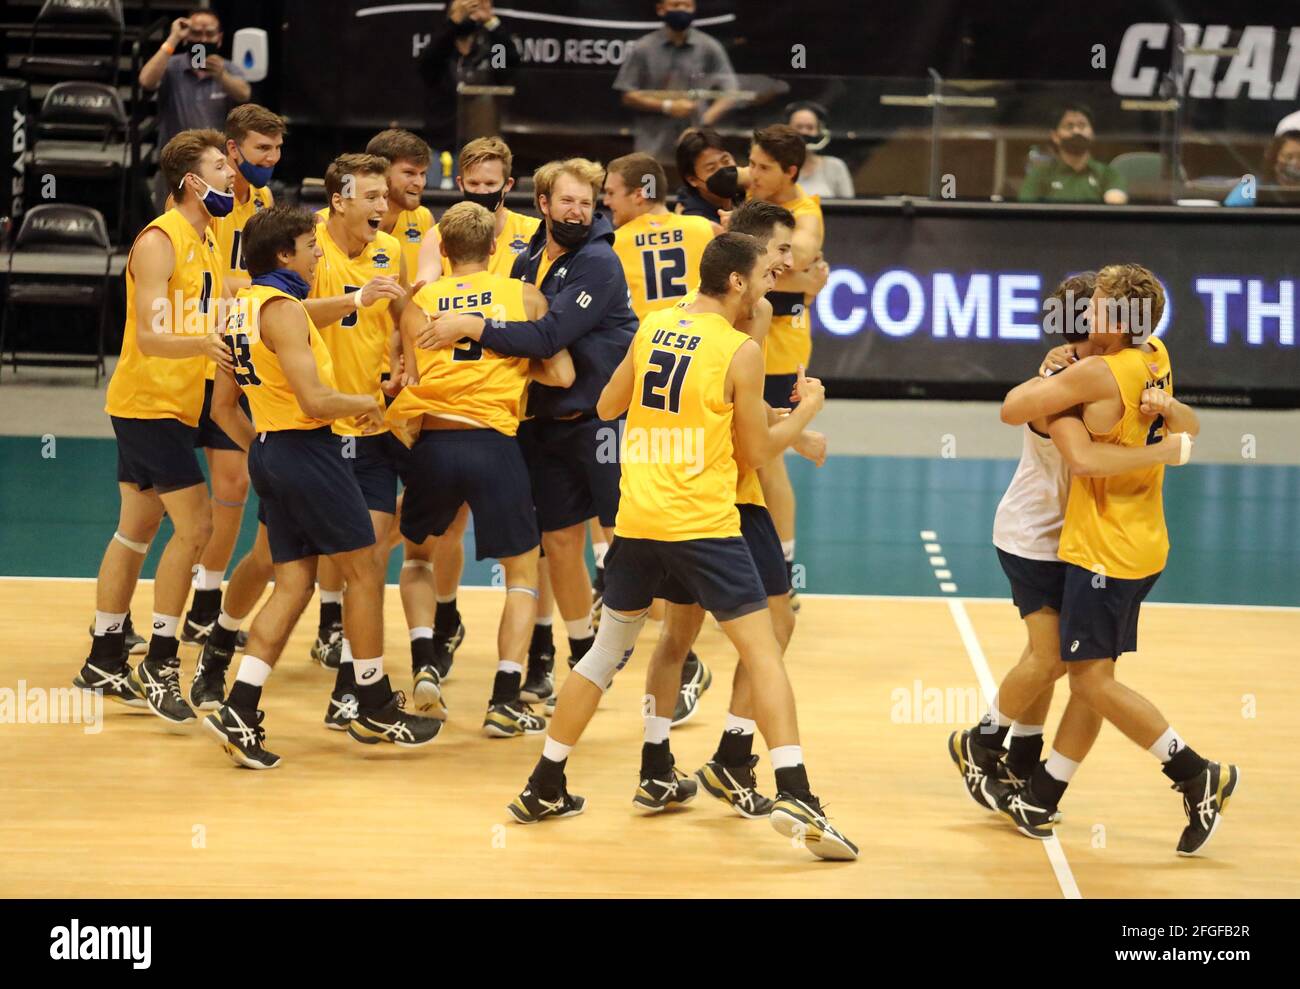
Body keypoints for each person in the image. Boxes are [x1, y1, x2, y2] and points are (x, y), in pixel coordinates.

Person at [504, 233, 856, 861]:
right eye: (762, 277)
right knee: (766, 650)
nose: (769, 286)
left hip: (637, 520)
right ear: (737, 284)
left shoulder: (656, 324)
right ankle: (796, 791)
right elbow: (753, 454)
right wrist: (808, 414)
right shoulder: (738, 350)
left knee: (603, 657)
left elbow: (610, 403)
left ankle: (544, 783)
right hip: (701, 523)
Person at [994, 264, 1238, 856]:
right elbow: (1186, 424)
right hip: (1142, 538)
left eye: (1098, 304)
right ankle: (1044, 793)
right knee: (1090, 680)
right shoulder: (1154, 353)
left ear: (1116, 318)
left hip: (1107, 548)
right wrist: (1171, 441)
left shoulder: (1103, 372)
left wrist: (1061, 371)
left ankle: (1195, 771)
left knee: (1093, 683)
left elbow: (1016, 410)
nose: (1087, 311)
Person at [203, 206, 441, 767]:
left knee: (294, 586)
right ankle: (374, 701)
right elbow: (314, 402)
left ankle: (239, 705)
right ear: (283, 255)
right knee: (363, 570)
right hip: (307, 451)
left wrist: (268, 454)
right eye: (309, 247)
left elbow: (221, 409)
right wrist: (374, 402)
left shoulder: (243, 308)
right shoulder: (281, 310)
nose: (317, 254)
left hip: (272, 450)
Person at [948, 273, 1193, 813]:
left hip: (1088, 539)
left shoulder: (1132, 363)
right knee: (1052, 657)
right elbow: (1017, 411)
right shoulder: (1065, 383)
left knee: (1069, 660)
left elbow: (1181, 416)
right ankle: (981, 741)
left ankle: (1025, 754)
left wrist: (1171, 418)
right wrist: (1166, 450)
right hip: (1035, 534)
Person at [417, 159, 638, 707]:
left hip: (600, 421)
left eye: (587, 203)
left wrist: (473, 326)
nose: (578, 211)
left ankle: (679, 660)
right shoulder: (527, 261)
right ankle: (581, 657)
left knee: (630, 539)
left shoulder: (599, 262)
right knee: (559, 544)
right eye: (567, 201)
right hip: (543, 423)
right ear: (542, 204)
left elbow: (546, 336)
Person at [647, 201, 828, 811]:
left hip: (675, 493)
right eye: (779, 252)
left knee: (676, 634)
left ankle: (657, 762)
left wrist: (789, 427)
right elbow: (740, 424)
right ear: (746, 260)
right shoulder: (750, 315)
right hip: (723, 495)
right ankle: (741, 759)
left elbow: (727, 404)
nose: (788, 261)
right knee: (769, 630)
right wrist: (801, 420)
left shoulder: (684, 312)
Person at [390, 202, 575, 734]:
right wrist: (518, 362)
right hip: (494, 445)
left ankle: (426, 662)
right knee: (521, 579)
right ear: (495, 249)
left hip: (434, 443)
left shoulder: (420, 301)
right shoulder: (522, 296)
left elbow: (414, 372)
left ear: (442, 251)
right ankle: (503, 699)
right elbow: (560, 374)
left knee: (419, 560)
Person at [76, 130, 234, 727]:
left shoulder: (209, 238)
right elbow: (147, 335)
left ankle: (103, 656)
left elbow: (222, 303)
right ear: (191, 180)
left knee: (136, 530)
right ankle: (162, 662)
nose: (230, 175)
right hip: (147, 404)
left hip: (173, 404)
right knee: (197, 527)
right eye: (220, 167)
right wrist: (209, 343)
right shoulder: (159, 241)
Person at [309, 153, 419, 722]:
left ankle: (351, 689)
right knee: (282, 566)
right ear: (339, 200)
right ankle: (222, 645)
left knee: (370, 560)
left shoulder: (392, 249)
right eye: (372, 197)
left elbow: (402, 313)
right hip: (317, 431)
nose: (384, 205)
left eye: (385, 196)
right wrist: (356, 299)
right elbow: (285, 315)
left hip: (373, 424)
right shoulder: (309, 248)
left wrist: (403, 361)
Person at [181, 104, 285, 656]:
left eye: (276, 150)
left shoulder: (263, 203)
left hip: (230, 361)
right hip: (184, 362)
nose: (270, 159)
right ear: (233, 148)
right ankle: (120, 619)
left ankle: (205, 603)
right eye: (260, 149)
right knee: (158, 505)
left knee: (233, 487)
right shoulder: (206, 199)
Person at [746, 124, 830, 610]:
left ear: (790, 172)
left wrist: (735, 242)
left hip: (780, 351)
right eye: (750, 163)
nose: (751, 174)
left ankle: (781, 570)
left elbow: (797, 256)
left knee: (769, 459)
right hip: (744, 340)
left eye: (762, 167)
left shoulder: (805, 213)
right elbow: (794, 271)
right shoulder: (758, 193)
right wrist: (799, 279)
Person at [139, 9, 251, 210]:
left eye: (209, 34)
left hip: (215, 168)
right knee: (172, 228)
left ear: (219, 38)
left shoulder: (227, 69)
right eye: (197, 33)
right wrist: (173, 38)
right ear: (187, 36)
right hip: (175, 167)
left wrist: (221, 76)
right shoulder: (172, 66)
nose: (203, 39)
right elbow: (146, 80)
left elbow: (244, 94)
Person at [614, 1, 739, 164]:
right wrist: (668, 106)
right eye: (675, 5)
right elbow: (627, 94)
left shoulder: (709, 47)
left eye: (687, 6)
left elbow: (731, 92)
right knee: (649, 186)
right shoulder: (643, 48)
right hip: (652, 144)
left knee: (696, 185)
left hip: (698, 145)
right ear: (661, 9)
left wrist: (703, 123)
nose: (682, 10)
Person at [417, 0, 522, 158]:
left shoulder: (491, 49)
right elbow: (428, 62)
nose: (468, 13)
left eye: (473, 8)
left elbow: (506, 65)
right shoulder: (441, 51)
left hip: (482, 142)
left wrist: (491, 22)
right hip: (442, 142)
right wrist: (455, 20)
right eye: (463, 8)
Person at [1018, 104, 1128, 205]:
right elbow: (1026, 209)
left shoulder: (1108, 174)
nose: (1076, 131)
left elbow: (1116, 204)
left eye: (1082, 125)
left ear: (1092, 133)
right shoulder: (1040, 175)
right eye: (1069, 126)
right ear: (1055, 136)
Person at [674, 127, 744, 224]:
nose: (723, 171)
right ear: (692, 179)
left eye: (726, 161)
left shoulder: (748, 188)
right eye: (711, 168)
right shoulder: (696, 220)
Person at [786, 102, 853, 200]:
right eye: (798, 127)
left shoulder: (835, 166)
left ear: (819, 132)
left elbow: (850, 209)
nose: (804, 132)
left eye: (810, 127)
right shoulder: (776, 167)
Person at [1224, 130, 1300, 206]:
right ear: (1274, 157)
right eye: (1288, 156)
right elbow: (1230, 214)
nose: (1295, 163)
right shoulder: (1252, 187)